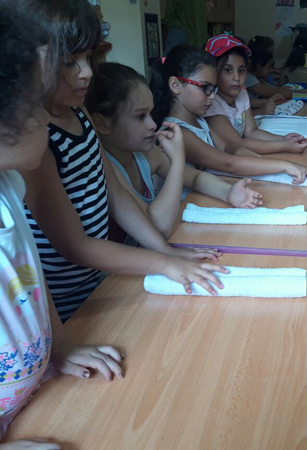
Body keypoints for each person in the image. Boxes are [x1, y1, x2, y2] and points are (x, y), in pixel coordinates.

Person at [21, 0, 227, 322]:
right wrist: (165, 263)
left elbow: (114, 193)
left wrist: (165, 251)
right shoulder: (34, 142)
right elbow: (75, 246)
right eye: (70, 62)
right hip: (61, 307)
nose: (87, 71)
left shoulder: (79, 112)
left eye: (88, 57)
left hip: (99, 283)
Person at [0, 1, 124, 445]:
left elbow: (31, 284)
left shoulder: (9, 186)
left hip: (32, 397)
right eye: (34, 102)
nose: (48, 116)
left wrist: (63, 345)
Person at [86, 62, 264, 240]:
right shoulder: (107, 169)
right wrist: (178, 160)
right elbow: (158, 227)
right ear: (102, 123)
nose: (152, 124)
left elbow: (196, 178)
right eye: (140, 116)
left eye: (150, 114)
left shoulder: (146, 155)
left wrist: (228, 192)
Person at [151, 45, 307, 183]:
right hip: (186, 206)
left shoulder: (198, 121)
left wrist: (259, 160)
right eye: (206, 88)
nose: (213, 96)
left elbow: (229, 147)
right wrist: (284, 165)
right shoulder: (177, 133)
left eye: (213, 89)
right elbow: (227, 163)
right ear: (175, 85)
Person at [204, 35, 307, 155]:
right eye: (228, 70)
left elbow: (252, 132)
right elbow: (238, 143)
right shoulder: (212, 103)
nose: (236, 78)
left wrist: (283, 139)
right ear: (212, 72)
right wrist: (284, 146)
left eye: (241, 70)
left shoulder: (242, 93)